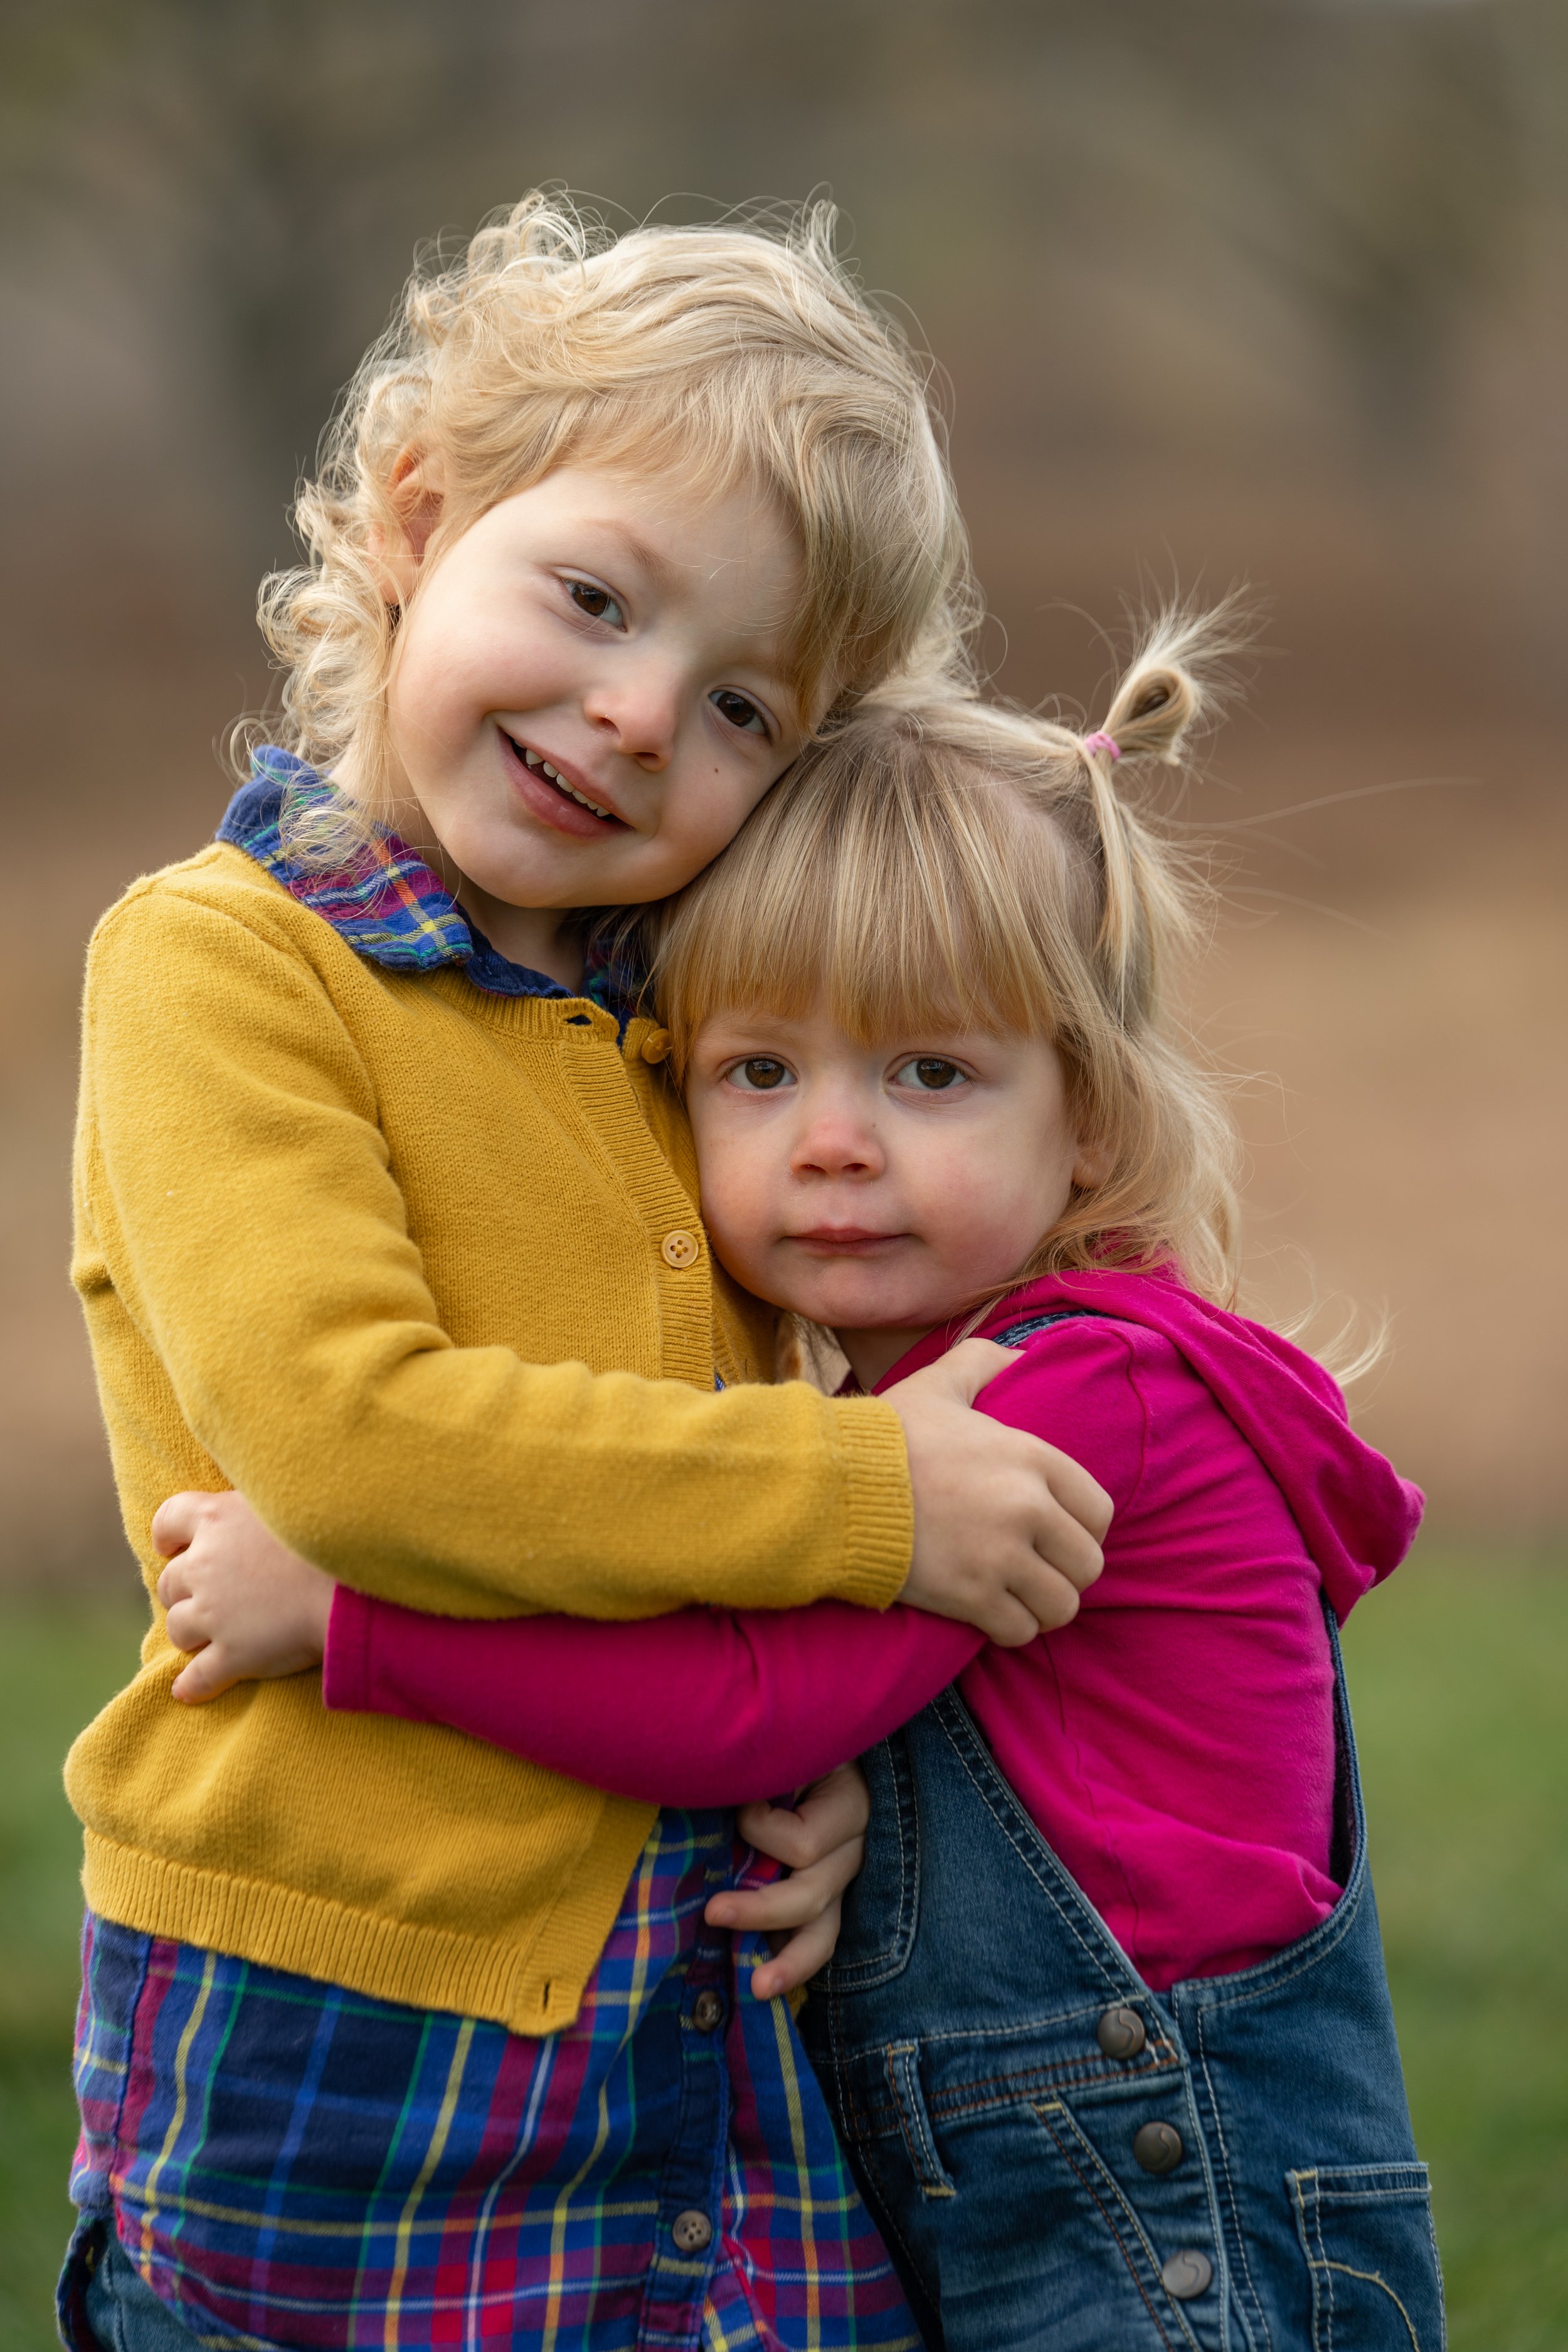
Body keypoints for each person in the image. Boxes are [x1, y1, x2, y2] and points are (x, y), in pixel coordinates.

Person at [60, 193, 1114, 2352]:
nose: (638, 717)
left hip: (699, 1981)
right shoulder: (226, 970)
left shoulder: (694, 1034)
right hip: (337, 2010)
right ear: (413, 515)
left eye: (740, 705)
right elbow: (355, 1446)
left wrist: (807, 1756)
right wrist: (868, 1506)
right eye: (591, 598)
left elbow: (719, 1477)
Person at [160, 619, 1446, 2349]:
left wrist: (347, 1620)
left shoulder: (1070, 1393)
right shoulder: (895, 1394)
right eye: (758, 1073)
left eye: (929, 1074)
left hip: (1167, 2212)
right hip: (1064, 2181)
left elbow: (747, 1706)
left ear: (1088, 1123)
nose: (831, 1142)